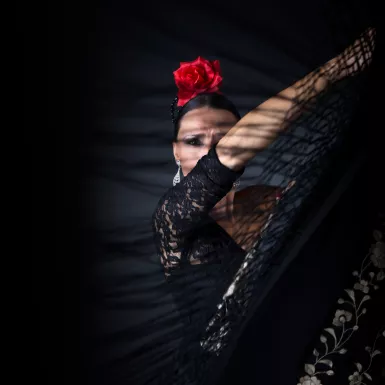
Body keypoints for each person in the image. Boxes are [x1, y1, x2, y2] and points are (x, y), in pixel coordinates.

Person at [152, 28, 375, 384]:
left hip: (293, 354)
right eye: (194, 142)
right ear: (175, 152)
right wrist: (338, 69)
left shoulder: (265, 198)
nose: (208, 152)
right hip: (225, 371)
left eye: (221, 139)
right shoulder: (172, 218)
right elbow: (227, 157)